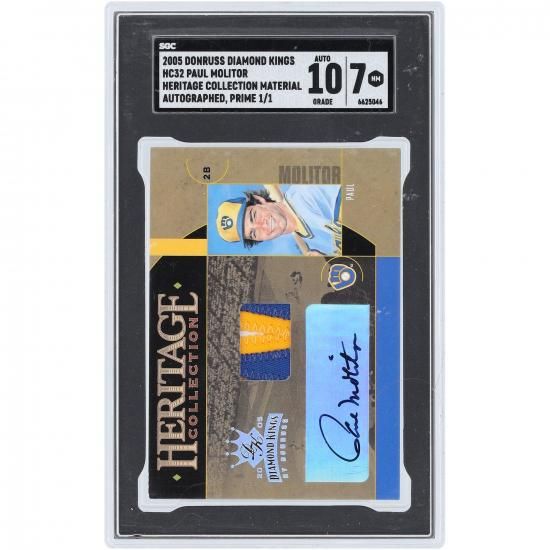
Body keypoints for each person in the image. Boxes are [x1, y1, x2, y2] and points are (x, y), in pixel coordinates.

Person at [215, 184, 342, 255]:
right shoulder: (311, 247)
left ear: (259, 200)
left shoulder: (306, 193)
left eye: (253, 216)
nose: (261, 225)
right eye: (253, 233)